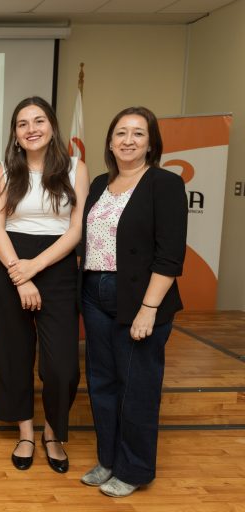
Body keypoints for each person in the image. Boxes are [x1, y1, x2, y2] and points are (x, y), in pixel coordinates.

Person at [80, 106, 187, 497]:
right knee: (102, 382)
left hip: (141, 299)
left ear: (151, 143)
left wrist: (148, 308)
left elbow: (170, 255)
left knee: (137, 386)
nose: (128, 140)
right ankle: (108, 459)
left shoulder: (165, 184)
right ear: (110, 141)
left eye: (138, 133)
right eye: (121, 133)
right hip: (94, 293)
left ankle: (135, 468)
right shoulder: (97, 185)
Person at [0, 96, 88, 474]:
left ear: (52, 126)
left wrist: (36, 267)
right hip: (11, 260)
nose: (31, 129)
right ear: (15, 133)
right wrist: (18, 273)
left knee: (61, 365)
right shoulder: (5, 170)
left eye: (39, 121)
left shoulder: (76, 167)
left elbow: (76, 228)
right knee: (14, 356)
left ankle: (52, 432)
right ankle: (26, 432)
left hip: (57, 265)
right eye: (22, 123)